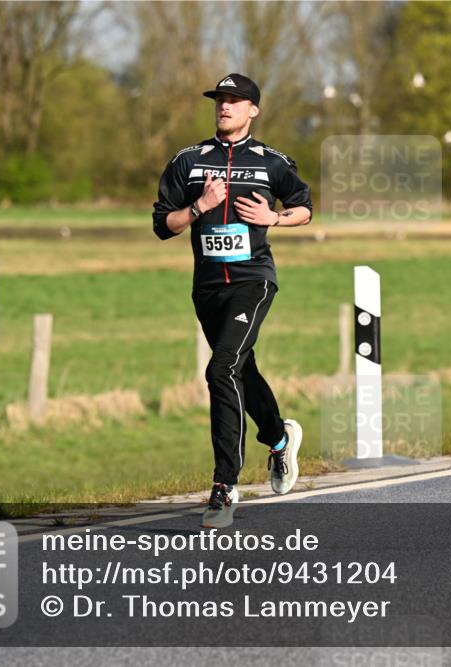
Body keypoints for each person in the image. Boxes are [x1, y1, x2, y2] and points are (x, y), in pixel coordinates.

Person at [151, 73, 312, 528]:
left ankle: (224, 487)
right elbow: (164, 225)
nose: (225, 106)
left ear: (252, 110)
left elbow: (305, 206)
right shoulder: (188, 161)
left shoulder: (270, 161)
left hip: (252, 280)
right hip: (207, 287)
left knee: (220, 368)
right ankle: (280, 438)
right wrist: (199, 207)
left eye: (234, 100)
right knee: (240, 367)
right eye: (220, 100)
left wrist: (273, 218)